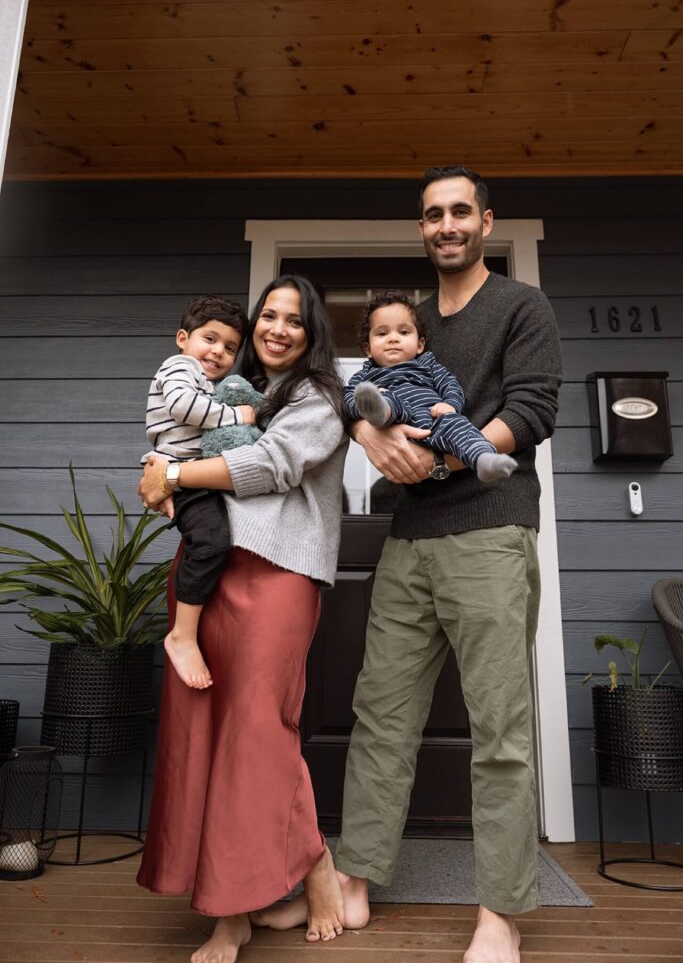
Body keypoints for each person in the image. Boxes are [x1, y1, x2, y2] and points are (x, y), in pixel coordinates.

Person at [253, 166, 562, 963]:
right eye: (433, 214)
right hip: (406, 541)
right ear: (421, 228)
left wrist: (449, 462)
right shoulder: (407, 321)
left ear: (485, 222)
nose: (447, 224)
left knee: (499, 728)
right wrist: (366, 437)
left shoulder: (519, 307)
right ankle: (353, 876)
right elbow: (358, 399)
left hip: (489, 531)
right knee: (380, 711)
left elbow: (530, 411)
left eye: (460, 211)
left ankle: (501, 911)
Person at [136, 275, 349, 963]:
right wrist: (161, 473)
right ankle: (232, 911)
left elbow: (271, 466)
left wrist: (168, 477)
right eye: (269, 317)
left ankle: (309, 867)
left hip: (280, 576)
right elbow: (176, 439)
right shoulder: (231, 388)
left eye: (294, 320)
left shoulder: (317, 397)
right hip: (210, 578)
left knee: (259, 734)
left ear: (312, 334)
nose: (278, 329)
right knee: (204, 733)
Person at [143, 295, 253, 690]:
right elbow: (183, 407)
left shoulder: (208, 381)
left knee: (211, 540)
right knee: (210, 542)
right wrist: (238, 416)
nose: (218, 352)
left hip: (189, 475)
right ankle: (182, 634)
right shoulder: (180, 368)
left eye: (229, 348)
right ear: (182, 338)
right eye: (210, 339)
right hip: (181, 473)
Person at [344, 290, 517, 483]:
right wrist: (363, 405)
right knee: (388, 400)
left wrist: (451, 405)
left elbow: (450, 385)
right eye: (382, 333)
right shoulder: (366, 376)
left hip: (434, 420)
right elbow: (347, 399)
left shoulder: (428, 365)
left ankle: (483, 459)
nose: (393, 338)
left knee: (458, 425)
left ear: (420, 344)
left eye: (403, 332)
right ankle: (378, 409)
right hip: (398, 423)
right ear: (368, 348)